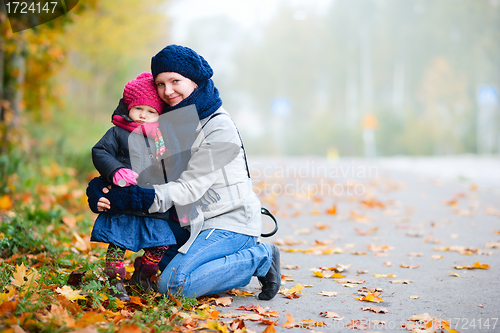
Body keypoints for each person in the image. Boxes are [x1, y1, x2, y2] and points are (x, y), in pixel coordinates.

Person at [87, 44, 281, 300]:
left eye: (175, 81)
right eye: (160, 84)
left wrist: (133, 198)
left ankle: (260, 257)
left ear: (195, 80)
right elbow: (140, 167)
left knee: (175, 285)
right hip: (188, 223)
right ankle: (211, 264)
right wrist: (101, 187)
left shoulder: (218, 126)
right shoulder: (165, 122)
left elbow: (189, 187)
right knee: (163, 268)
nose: (168, 91)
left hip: (228, 221)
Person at [90, 72, 176, 301]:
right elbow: (100, 152)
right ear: (128, 106)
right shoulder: (117, 133)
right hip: (124, 202)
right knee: (118, 245)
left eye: (151, 112)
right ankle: (114, 283)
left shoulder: (161, 137)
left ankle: (143, 275)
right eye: (139, 108)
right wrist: (115, 170)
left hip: (152, 205)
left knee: (160, 245)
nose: (143, 116)